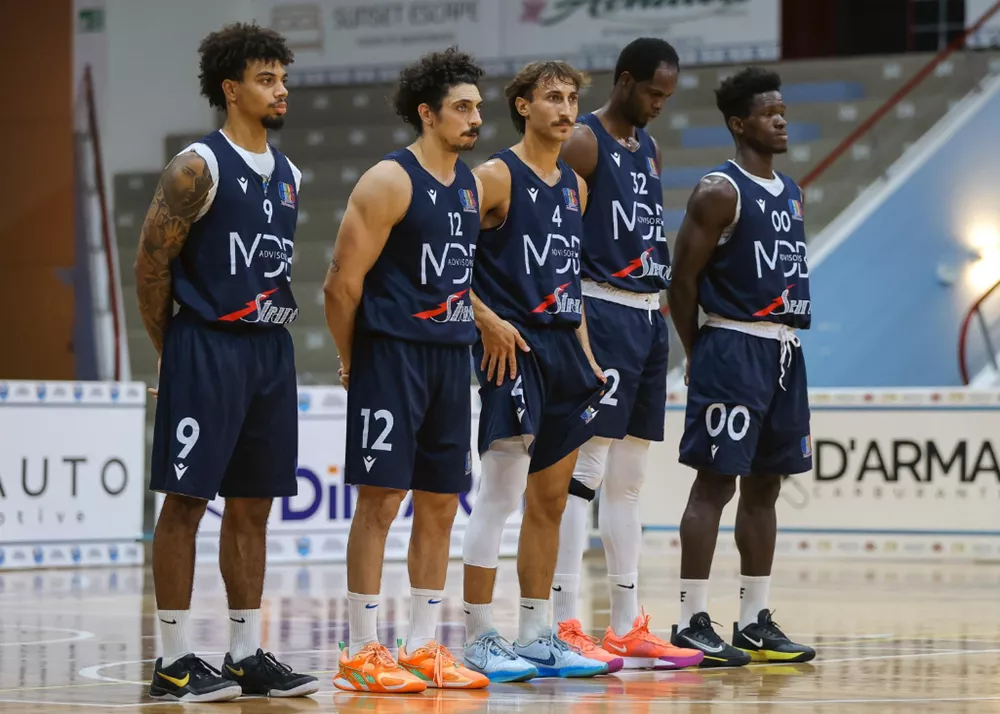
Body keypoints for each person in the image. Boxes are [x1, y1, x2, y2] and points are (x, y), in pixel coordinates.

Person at [135, 22, 318, 701]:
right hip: (206, 344)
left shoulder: (293, 175)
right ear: (231, 88)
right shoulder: (197, 167)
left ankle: (245, 653)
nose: (281, 89)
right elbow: (151, 266)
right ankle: (174, 659)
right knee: (184, 501)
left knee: (254, 506)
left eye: (283, 77)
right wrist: (173, 352)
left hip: (270, 349)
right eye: (267, 79)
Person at [322, 47, 490, 693]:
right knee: (381, 500)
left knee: (442, 503)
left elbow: (458, 275)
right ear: (427, 113)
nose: (475, 119)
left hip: (451, 357)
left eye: (477, 107)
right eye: (462, 108)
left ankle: (422, 645)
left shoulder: (471, 185)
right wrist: (353, 360)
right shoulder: (387, 180)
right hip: (391, 355)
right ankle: (360, 650)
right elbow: (340, 287)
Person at [459, 61, 615, 682]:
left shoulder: (575, 187)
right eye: (552, 97)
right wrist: (485, 321)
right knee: (499, 494)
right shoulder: (494, 177)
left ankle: (536, 632)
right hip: (511, 348)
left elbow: (569, 279)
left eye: (573, 98)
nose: (566, 108)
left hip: (562, 348)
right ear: (523, 106)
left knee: (550, 500)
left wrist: (588, 353)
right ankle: (476, 634)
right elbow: (443, 259)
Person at [551, 38, 703, 671]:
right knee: (581, 476)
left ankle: (625, 623)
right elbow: (551, 225)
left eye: (667, 96)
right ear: (623, 81)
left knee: (631, 483)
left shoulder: (651, 148)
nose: (659, 105)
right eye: (652, 93)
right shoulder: (583, 142)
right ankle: (560, 620)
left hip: (647, 314)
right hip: (600, 307)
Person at [666, 67, 816, 666]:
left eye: (783, 109)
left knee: (766, 487)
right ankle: (689, 620)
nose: (780, 119)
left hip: (784, 350)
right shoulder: (718, 191)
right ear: (738, 124)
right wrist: (698, 350)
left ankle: (754, 620)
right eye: (767, 112)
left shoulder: (793, 191)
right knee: (714, 485)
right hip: (731, 346)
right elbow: (681, 280)